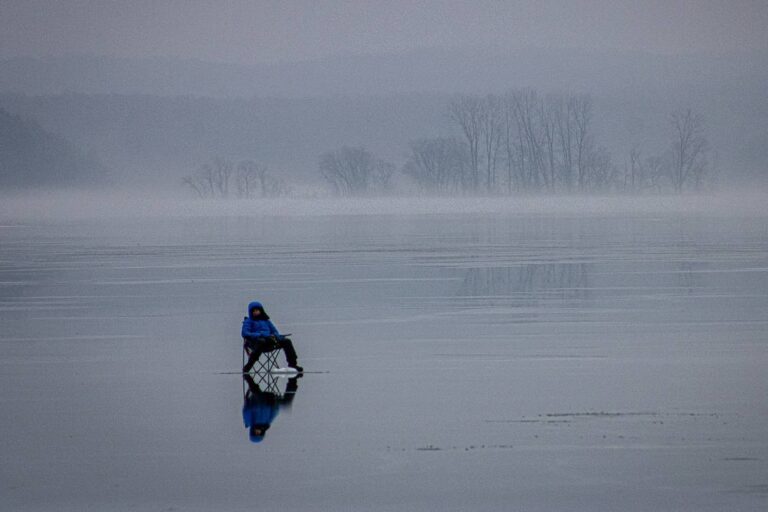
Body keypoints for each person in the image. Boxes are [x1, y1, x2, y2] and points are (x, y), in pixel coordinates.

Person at [241, 301, 302, 373]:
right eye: (253, 311)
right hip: (255, 344)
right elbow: (244, 333)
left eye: (257, 310)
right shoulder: (248, 321)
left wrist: (276, 336)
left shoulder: (266, 321)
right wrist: (259, 334)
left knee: (287, 341)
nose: (255, 312)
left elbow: (275, 331)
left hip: (269, 342)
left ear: (261, 310)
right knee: (261, 341)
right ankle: (249, 366)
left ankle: (293, 365)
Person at [242, 373, 300, 443]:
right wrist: (273, 405)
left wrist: (250, 401)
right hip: (269, 401)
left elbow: (247, 409)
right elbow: (274, 412)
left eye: (256, 432)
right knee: (286, 403)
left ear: (252, 431)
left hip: (256, 399)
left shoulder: (249, 422)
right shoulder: (267, 424)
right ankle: (293, 380)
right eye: (259, 433)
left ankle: (248, 378)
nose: (258, 431)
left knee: (258, 397)